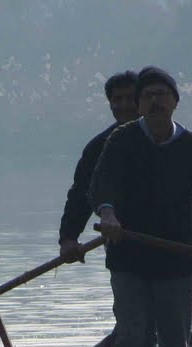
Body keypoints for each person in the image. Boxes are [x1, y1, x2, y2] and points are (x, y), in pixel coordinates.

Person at [90, 65, 192, 347]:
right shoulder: (121, 140)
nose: (155, 102)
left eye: (162, 95)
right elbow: (103, 183)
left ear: (175, 102)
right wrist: (107, 214)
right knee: (132, 337)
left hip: (178, 258)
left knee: (177, 344)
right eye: (148, 96)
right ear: (138, 105)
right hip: (129, 257)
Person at [58, 70, 138, 263]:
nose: (124, 105)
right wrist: (68, 238)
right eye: (117, 99)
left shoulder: (168, 140)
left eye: (130, 98)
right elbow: (81, 193)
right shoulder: (98, 147)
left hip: (172, 247)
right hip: (121, 247)